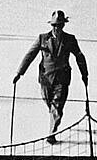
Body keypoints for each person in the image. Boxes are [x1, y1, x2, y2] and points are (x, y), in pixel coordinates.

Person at [13, 10, 88, 145]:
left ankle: (51, 134)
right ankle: (55, 118)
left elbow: (79, 56)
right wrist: (19, 73)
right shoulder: (42, 38)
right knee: (50, 104)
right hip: (45, 78)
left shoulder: (70, 39)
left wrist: (84, 74)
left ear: (63, 25)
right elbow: (30, 55)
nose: (56, 28)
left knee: (57, 106)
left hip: (62, 78)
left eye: (59, 25)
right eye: (54, 25)